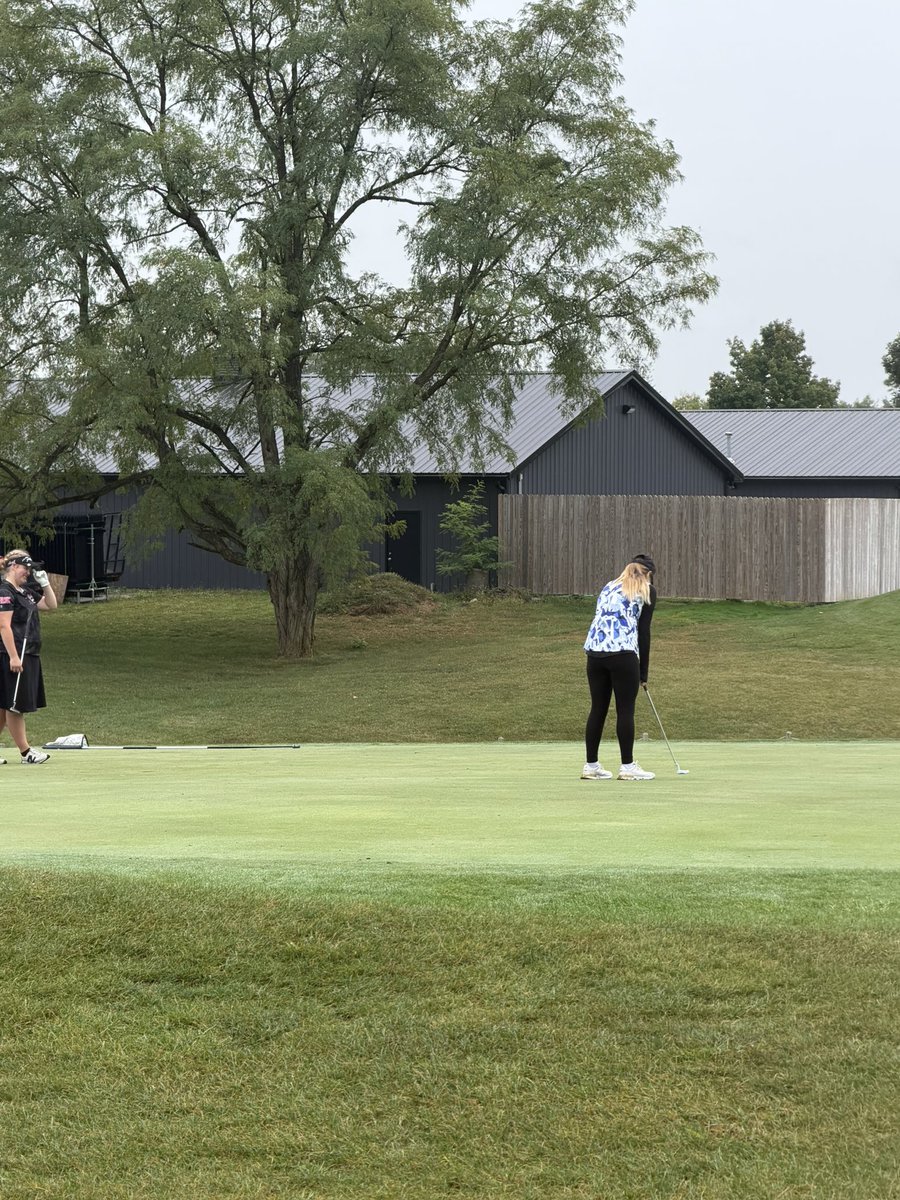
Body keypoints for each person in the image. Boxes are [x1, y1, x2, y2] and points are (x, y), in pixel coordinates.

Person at [581, 554, 657, 782]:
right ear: (648, 574)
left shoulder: (608, 586)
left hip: (595, 654)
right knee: (625, 710)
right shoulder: (646, 590)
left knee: (598, 708)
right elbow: (644, 633)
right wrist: (644, 672)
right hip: (623, 654)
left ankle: (591, 766)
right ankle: (627, 767)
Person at [0, 550, 58, 764]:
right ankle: (26, 753)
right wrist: (14, 657)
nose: (29, 572)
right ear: (14, 566)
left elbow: (50, 605)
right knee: (15, 705)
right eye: (26, 568)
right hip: (11, 654)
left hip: (29, 653)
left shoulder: (24, 591)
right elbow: (3, 625)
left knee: (4, 705)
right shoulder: (5, 591)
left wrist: (45, 584)